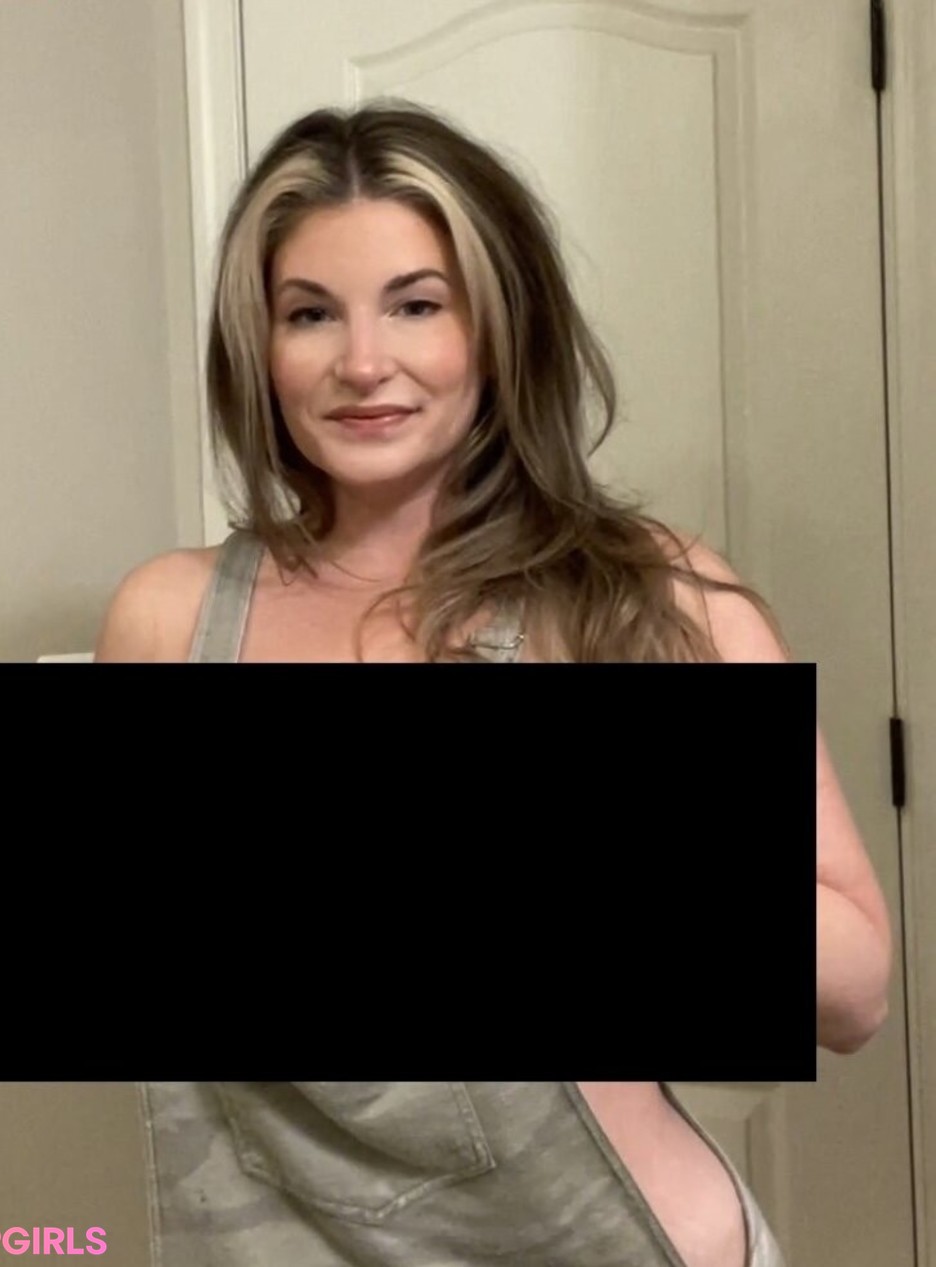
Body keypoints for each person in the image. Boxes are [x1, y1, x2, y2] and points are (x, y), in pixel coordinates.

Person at [96, 102, 892, 1267]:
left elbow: (855, 994)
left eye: (417, 304)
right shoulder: (169, 621)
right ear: (258, 349)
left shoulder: (648, 596)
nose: (363, 362)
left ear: (501, 322)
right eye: (310, 313)